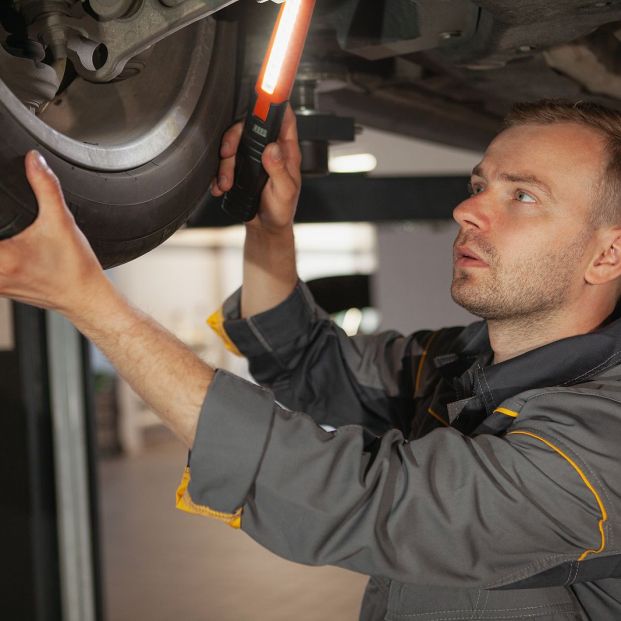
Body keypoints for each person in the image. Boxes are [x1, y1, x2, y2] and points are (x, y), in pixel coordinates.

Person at [2, 100, 621, 620]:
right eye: (480, 185)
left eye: (524, 196)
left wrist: (93, 305)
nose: (468, 209)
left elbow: (360, 502)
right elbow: (307, 361)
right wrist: (271, 226)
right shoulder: (462, 362)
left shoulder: (603, 445)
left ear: (607, 256)